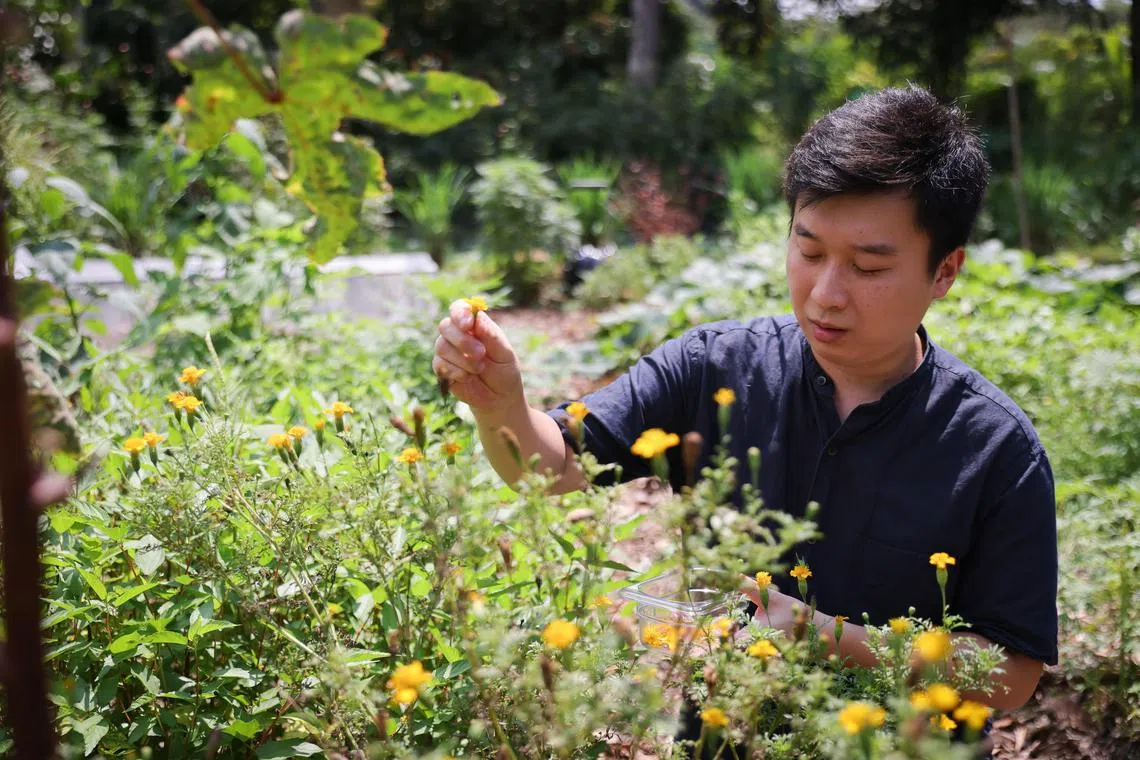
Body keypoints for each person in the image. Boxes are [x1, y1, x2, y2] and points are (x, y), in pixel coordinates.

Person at [431, 85, 1058, 713]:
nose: (825, 293)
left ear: (944, 271)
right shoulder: (712, 367)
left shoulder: (994, 447)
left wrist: (823, 636)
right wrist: (500, 406)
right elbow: (553, 465)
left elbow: (1012, 674)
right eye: (809, 251)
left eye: (868, 267)